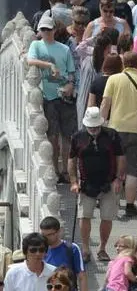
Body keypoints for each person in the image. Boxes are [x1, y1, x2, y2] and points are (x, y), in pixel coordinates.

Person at [100, 51, 137, 217]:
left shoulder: (113, 79)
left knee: (113, 167)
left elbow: (105, 104)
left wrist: (101, 125)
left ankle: (113, 204)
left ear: (124, 64)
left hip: (116, 128)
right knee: (133, 170)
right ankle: (130, 205)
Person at [68, 107, 124, 263]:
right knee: (84, 215)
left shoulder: (112, 135)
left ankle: (102, 248)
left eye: (96, 127)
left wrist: (119, 179)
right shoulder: (77, 137)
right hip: (86, 183)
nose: (93, 129)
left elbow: (120, 157)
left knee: (107, 217)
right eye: (91, 127)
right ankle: (85, 249)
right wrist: (73, 181)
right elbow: (71, 159)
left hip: (109, 181)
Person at [27, 16, 76, 183]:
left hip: (64, 96)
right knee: (53, 137)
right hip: (48, 97)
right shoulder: (36, 45)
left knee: (67, 137)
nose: (46, 32)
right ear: (39, 31)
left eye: (49, 29)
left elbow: (71, 73)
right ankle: (55, 170)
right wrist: (49, 65)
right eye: (43, 29)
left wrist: (70, 85)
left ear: (54, 30)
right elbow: (30, 60)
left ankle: (66, 171)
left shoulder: (64, 49)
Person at [39, 217, 86, 291]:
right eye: (43, 235)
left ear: (59, 231)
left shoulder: (72, 248)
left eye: (49, 235)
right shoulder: (39, 250)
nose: (46, 238)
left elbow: (82, 276)